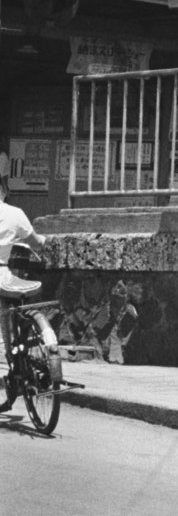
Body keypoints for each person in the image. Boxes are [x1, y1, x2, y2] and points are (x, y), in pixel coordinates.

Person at [0, 173, 48, 413]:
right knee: (12, 315)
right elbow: (37, 242)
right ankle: (23, 357)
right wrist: (43, 240)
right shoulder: (15, 213)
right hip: (6, 275)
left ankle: (11, 361)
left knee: (3, 334)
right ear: (4, 190)